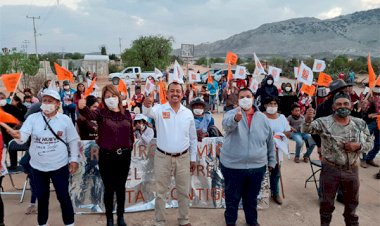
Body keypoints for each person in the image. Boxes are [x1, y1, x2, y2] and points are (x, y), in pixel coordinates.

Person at [4, 89, 79, 226]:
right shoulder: (33, 119)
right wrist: (18, 136)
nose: (46, 104)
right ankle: (42, 223)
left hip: (59, 166)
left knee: (63, 197)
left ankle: (69, 223)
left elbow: (73, 140)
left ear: (57, 104)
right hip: (38, 167)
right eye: (44, 101)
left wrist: (74, 159)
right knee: (42, 198)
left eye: (50, 101)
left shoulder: (65, 120)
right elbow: (24, 137)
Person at [302, 92, 373, 226]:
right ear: (333, 107)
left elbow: (370, 143)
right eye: (339, 104)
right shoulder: (324, 122)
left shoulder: (359, 124)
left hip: (351, 170)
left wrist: (358, 146)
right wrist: (307, 119)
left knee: (352, 206)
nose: (343, 107)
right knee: (326, 205)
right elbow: (306, 129)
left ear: (351, 106)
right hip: (330, 169)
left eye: (346, 104)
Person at [143, 82, 197, 226]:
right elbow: (147, 112)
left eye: (178, 91)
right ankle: (159, 221)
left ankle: (184, 219)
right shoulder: (159, 110)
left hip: (184, 158)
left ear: (183, 94)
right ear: (166, 94)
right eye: (172, 91)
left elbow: (193, 138)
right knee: (161, 193)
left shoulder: (188, 113)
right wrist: (146, 103)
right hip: (162, 157)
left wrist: (193, 158)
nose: (175, 94)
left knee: (184, 191)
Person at [78, 85, 134, 226]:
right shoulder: (101, 113)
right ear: (103, 99)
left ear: (119, 97)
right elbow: (89, 115)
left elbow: (130, 134)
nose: (111, 99)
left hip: (124, 156)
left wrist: (128, 148)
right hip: (107, 156)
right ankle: (109, 218)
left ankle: (120, 217)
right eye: (107, 97)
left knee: (121, 188)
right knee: (109, 188)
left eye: (113, 96)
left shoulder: (126, 113)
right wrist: (81, 107)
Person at [220, 88, 276, 226]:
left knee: (251, 198)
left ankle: (252, 221)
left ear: (253, 98)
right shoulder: (231, 114)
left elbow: (270, 141)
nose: (245, 99)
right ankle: (230, 221)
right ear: (238, 100)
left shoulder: (263, 118)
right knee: (232, 198)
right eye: (242, 97)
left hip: (257, 167)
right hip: (233, 166)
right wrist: (235, 119)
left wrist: (271, 160)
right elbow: (226, 126)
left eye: (248, 96)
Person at [262, 96, 291, 205]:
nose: (272, 106)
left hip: (277, 151)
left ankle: (275, 193)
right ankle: (260, 193)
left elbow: (288, 132)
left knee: (276, 172)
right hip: (262, 149)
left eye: (275, 104)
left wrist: (278, 136)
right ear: (265, 105)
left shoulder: (282, 117)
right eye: (270, 104)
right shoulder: (260, 116)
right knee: (261, 172)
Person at [360, 83, 380, 168]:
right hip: (369, 122)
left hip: (378, 122)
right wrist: (365, 102)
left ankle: (370, 158)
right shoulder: (367, 95)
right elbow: (362, 110)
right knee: (365, 141)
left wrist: (376, 114)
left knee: (378, 143)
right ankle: (363, 159)